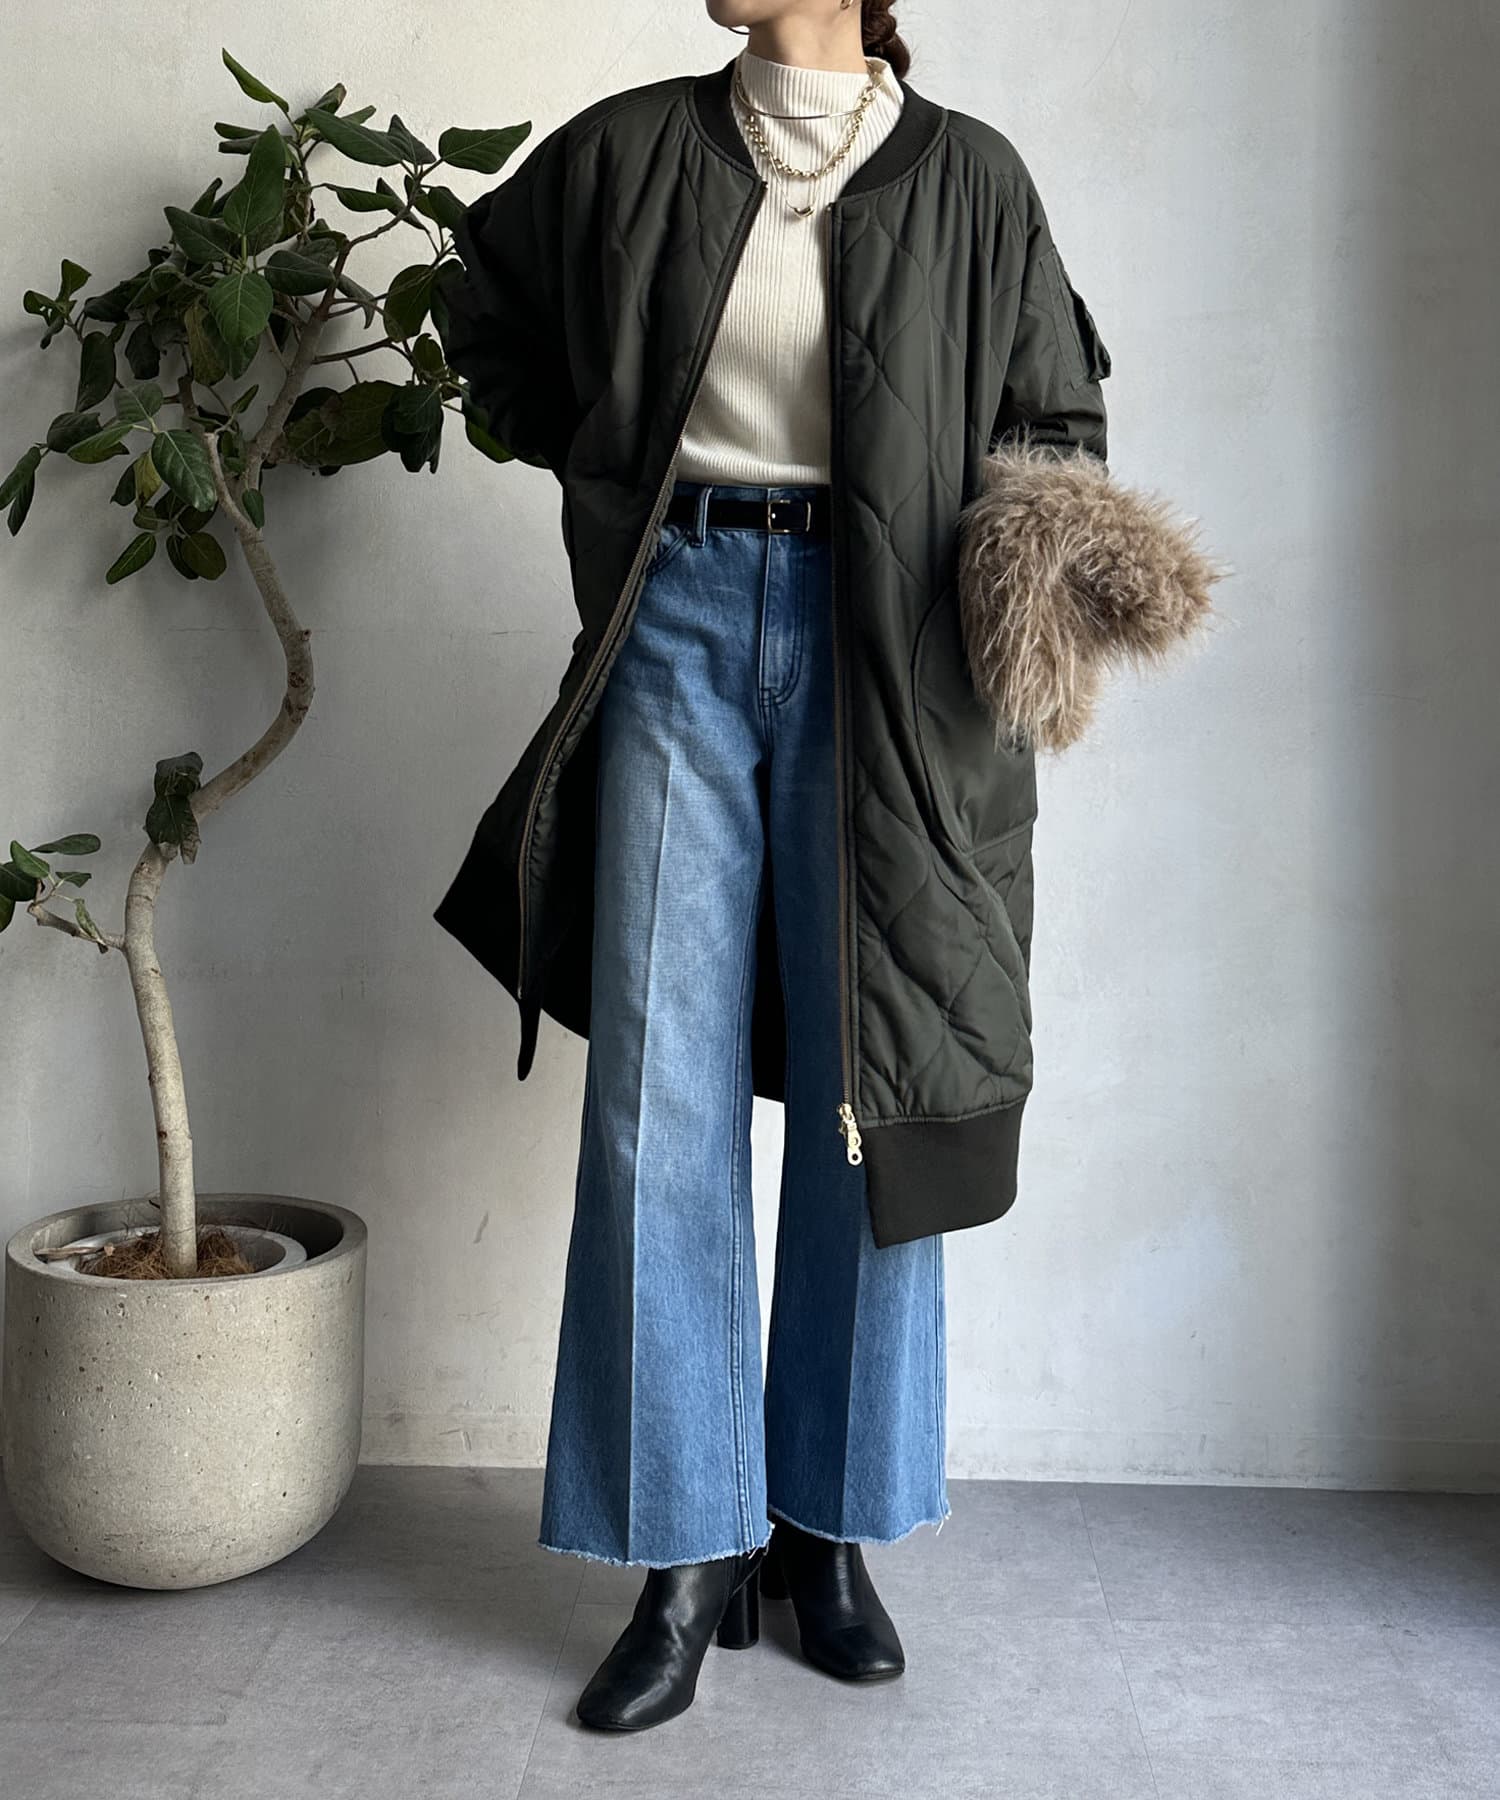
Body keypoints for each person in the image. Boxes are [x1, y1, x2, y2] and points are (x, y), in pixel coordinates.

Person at [433, 0, 1221, 1735]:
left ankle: (826, 1529)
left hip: (894, 658)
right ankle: (682, 1551)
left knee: (880, 1091)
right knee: (658, 1093)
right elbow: (481, 306)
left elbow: (1055, 420)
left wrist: (999, 612)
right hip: (677, 625)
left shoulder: (973, 179)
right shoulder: (630, 150)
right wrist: (605, 459)